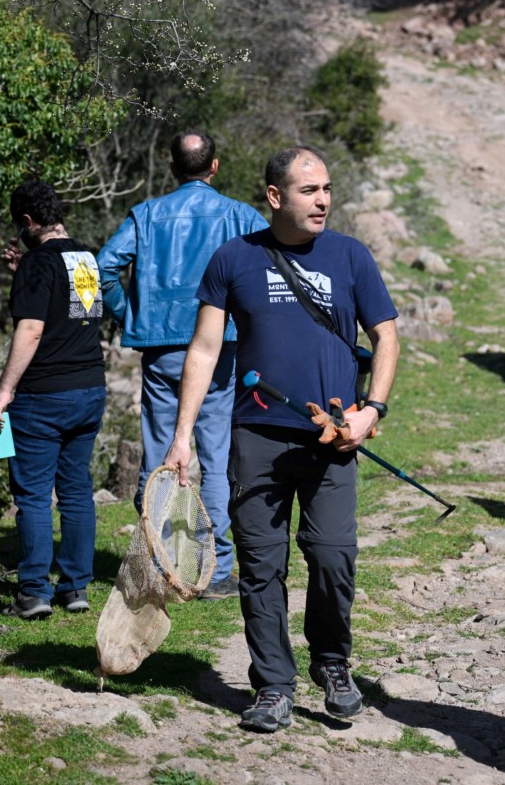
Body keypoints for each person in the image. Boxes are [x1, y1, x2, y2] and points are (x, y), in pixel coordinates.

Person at [161, 145, 399, 733]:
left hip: (333, 436)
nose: (323, 200)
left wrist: (373, 410)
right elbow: (205, 348)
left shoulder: (350, 256)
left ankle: (333, 663)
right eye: (309, 190)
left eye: (326, 190)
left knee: (332, 557)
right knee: (261, 567)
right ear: (275, 197)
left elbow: (386, 338)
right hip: (256, 437)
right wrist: (183, 435)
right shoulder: (233, 259)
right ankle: (271, 685)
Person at [97, 130, 267, 600]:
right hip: (220, 347)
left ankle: (163, 563)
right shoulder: (239, 215)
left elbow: (102, 267)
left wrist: (128, 312)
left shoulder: (147, 215)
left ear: (172, 168)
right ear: (214, 167)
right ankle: (214, 571)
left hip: (162, 350)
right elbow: (267, 269)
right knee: (213, 456)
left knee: (160, 456)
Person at [0, 180, 107, 620]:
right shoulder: (85, 258)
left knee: (34, 495)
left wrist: (5, 389)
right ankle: (75, 589)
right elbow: (72, 315)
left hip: (43, 395)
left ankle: (34, 593)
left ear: (27, 221)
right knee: (76, 492)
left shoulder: (40, 263)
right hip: (89, 389)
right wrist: (26, 274)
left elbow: (33, 329)